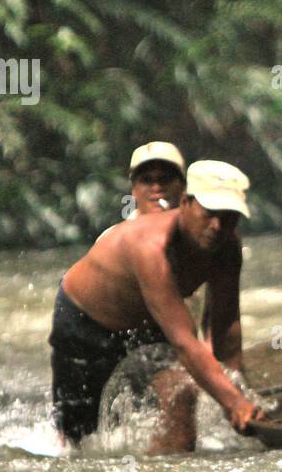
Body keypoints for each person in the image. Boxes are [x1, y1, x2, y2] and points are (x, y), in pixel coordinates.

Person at [50, 160, 264, 452]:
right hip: (85, 323)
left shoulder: (226, 246)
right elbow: (185, 342)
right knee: (79, 441)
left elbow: (226, 324)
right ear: (186, 203)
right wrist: (233, 404)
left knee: (180, 389)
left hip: (150, 322)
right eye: (210, 213)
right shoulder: (150, 246)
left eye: (230, 217)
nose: (218, 226)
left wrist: (238, 392)